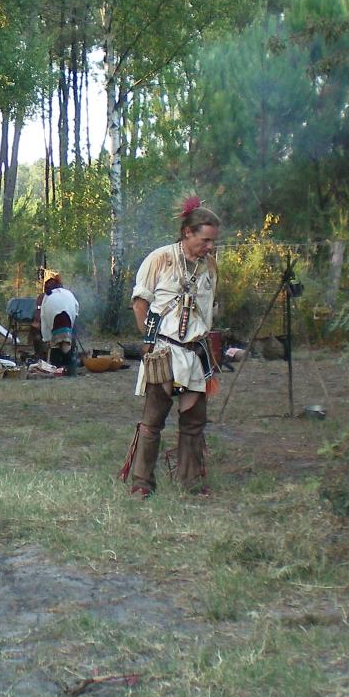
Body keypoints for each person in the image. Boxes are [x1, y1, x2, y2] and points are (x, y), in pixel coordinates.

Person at [123, 196, 221, 498]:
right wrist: (150, 342)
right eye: (205, 240)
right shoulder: (160, 259)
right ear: (187, 233)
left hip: (195, 353)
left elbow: (207, 312)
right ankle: (142, 482)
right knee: (153, 420)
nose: (209, 246)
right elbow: (141, 303)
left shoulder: (210, 267)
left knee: (194, 422)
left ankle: (190, 482)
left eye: (212, 241)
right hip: (164, 351)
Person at [39, 273, 80, 374]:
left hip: (54, 320)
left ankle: (59, 367)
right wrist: (73, 324)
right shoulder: (68, 293)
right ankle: (70, 368)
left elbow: (43, 318)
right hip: (68, 318)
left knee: (56, 344)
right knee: (66, 341)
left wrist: (47, 338)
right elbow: (76, 307)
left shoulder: (47, 297)